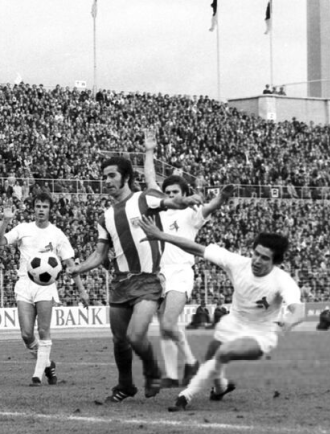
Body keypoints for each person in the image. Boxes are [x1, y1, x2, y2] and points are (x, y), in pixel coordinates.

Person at [67, 156, 202, 403]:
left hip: (148, 281)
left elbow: (170, 202)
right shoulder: (105, 217)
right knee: (119, 340)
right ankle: (125, 385)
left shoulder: (143, 199)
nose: (107, 181)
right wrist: (79, 268)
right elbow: (99, 254)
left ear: (126, 177)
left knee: (136, 335)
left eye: (112, 175)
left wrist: (186, 200)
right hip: (120, 284)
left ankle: (152, 371)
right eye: (104, 177)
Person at [136, 216, 304, 412]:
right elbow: (195, 248)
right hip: (232, 324)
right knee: (211, 356)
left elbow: (298, 310)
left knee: (223, 352)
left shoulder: (282, 280)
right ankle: (221, 388)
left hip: (260, 334)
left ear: (276, 262)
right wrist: (160, 235)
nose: (257, 260)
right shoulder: (238, 263)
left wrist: (289, 322)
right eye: (256, 254)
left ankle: (185, 396)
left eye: (264, 258)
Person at [143, 130, 232, 387]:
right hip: (159, 273)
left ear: (184, 193)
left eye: (175, 191)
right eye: (168, 191)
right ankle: (173, 376)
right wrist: (149, 151)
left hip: (181, 271)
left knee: (168, 322)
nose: (171, 195)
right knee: (165, 326)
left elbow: (210, 206)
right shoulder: (160, 208)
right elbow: (150, 179)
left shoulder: (190, 214)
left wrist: (221, 197)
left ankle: (191, 363)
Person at [0, 192, 89, 385]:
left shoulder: (57, 233)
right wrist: (5, 221)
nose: (41, 210)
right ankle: (47, 364)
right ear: (33, 209)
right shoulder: (23, 228)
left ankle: (37, 376)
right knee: (26, 334)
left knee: (43, 330)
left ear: (50, 210)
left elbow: (70, 264)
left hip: (46, 286)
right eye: (38, 206)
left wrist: (81, 290)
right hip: (24, 284)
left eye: (45, 207)